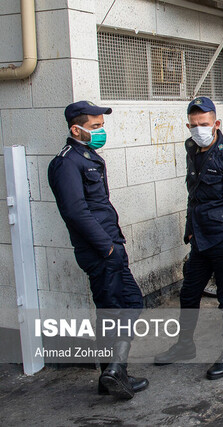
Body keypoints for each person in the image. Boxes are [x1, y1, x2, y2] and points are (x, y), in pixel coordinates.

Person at [48, 101, 148, 399]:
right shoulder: (67, 163)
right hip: (100, 251)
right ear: (75, 129)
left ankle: (113, 373)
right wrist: (106, 248)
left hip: (110, 247)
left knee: (123, 306)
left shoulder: (87, 157)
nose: (101, 131)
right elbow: (75, 211)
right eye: (95, 127)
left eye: (101, 126)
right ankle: (114, 372)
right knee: (119, 308)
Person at [154, 97, 223, 380]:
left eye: (205, 124)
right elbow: (194, 194)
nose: (199, 129)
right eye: (194, 124)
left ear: (216, 123)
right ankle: (185, 345)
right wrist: (189, 228)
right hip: (200, 239)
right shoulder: (192, 149)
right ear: (188, 125)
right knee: (188, 294)